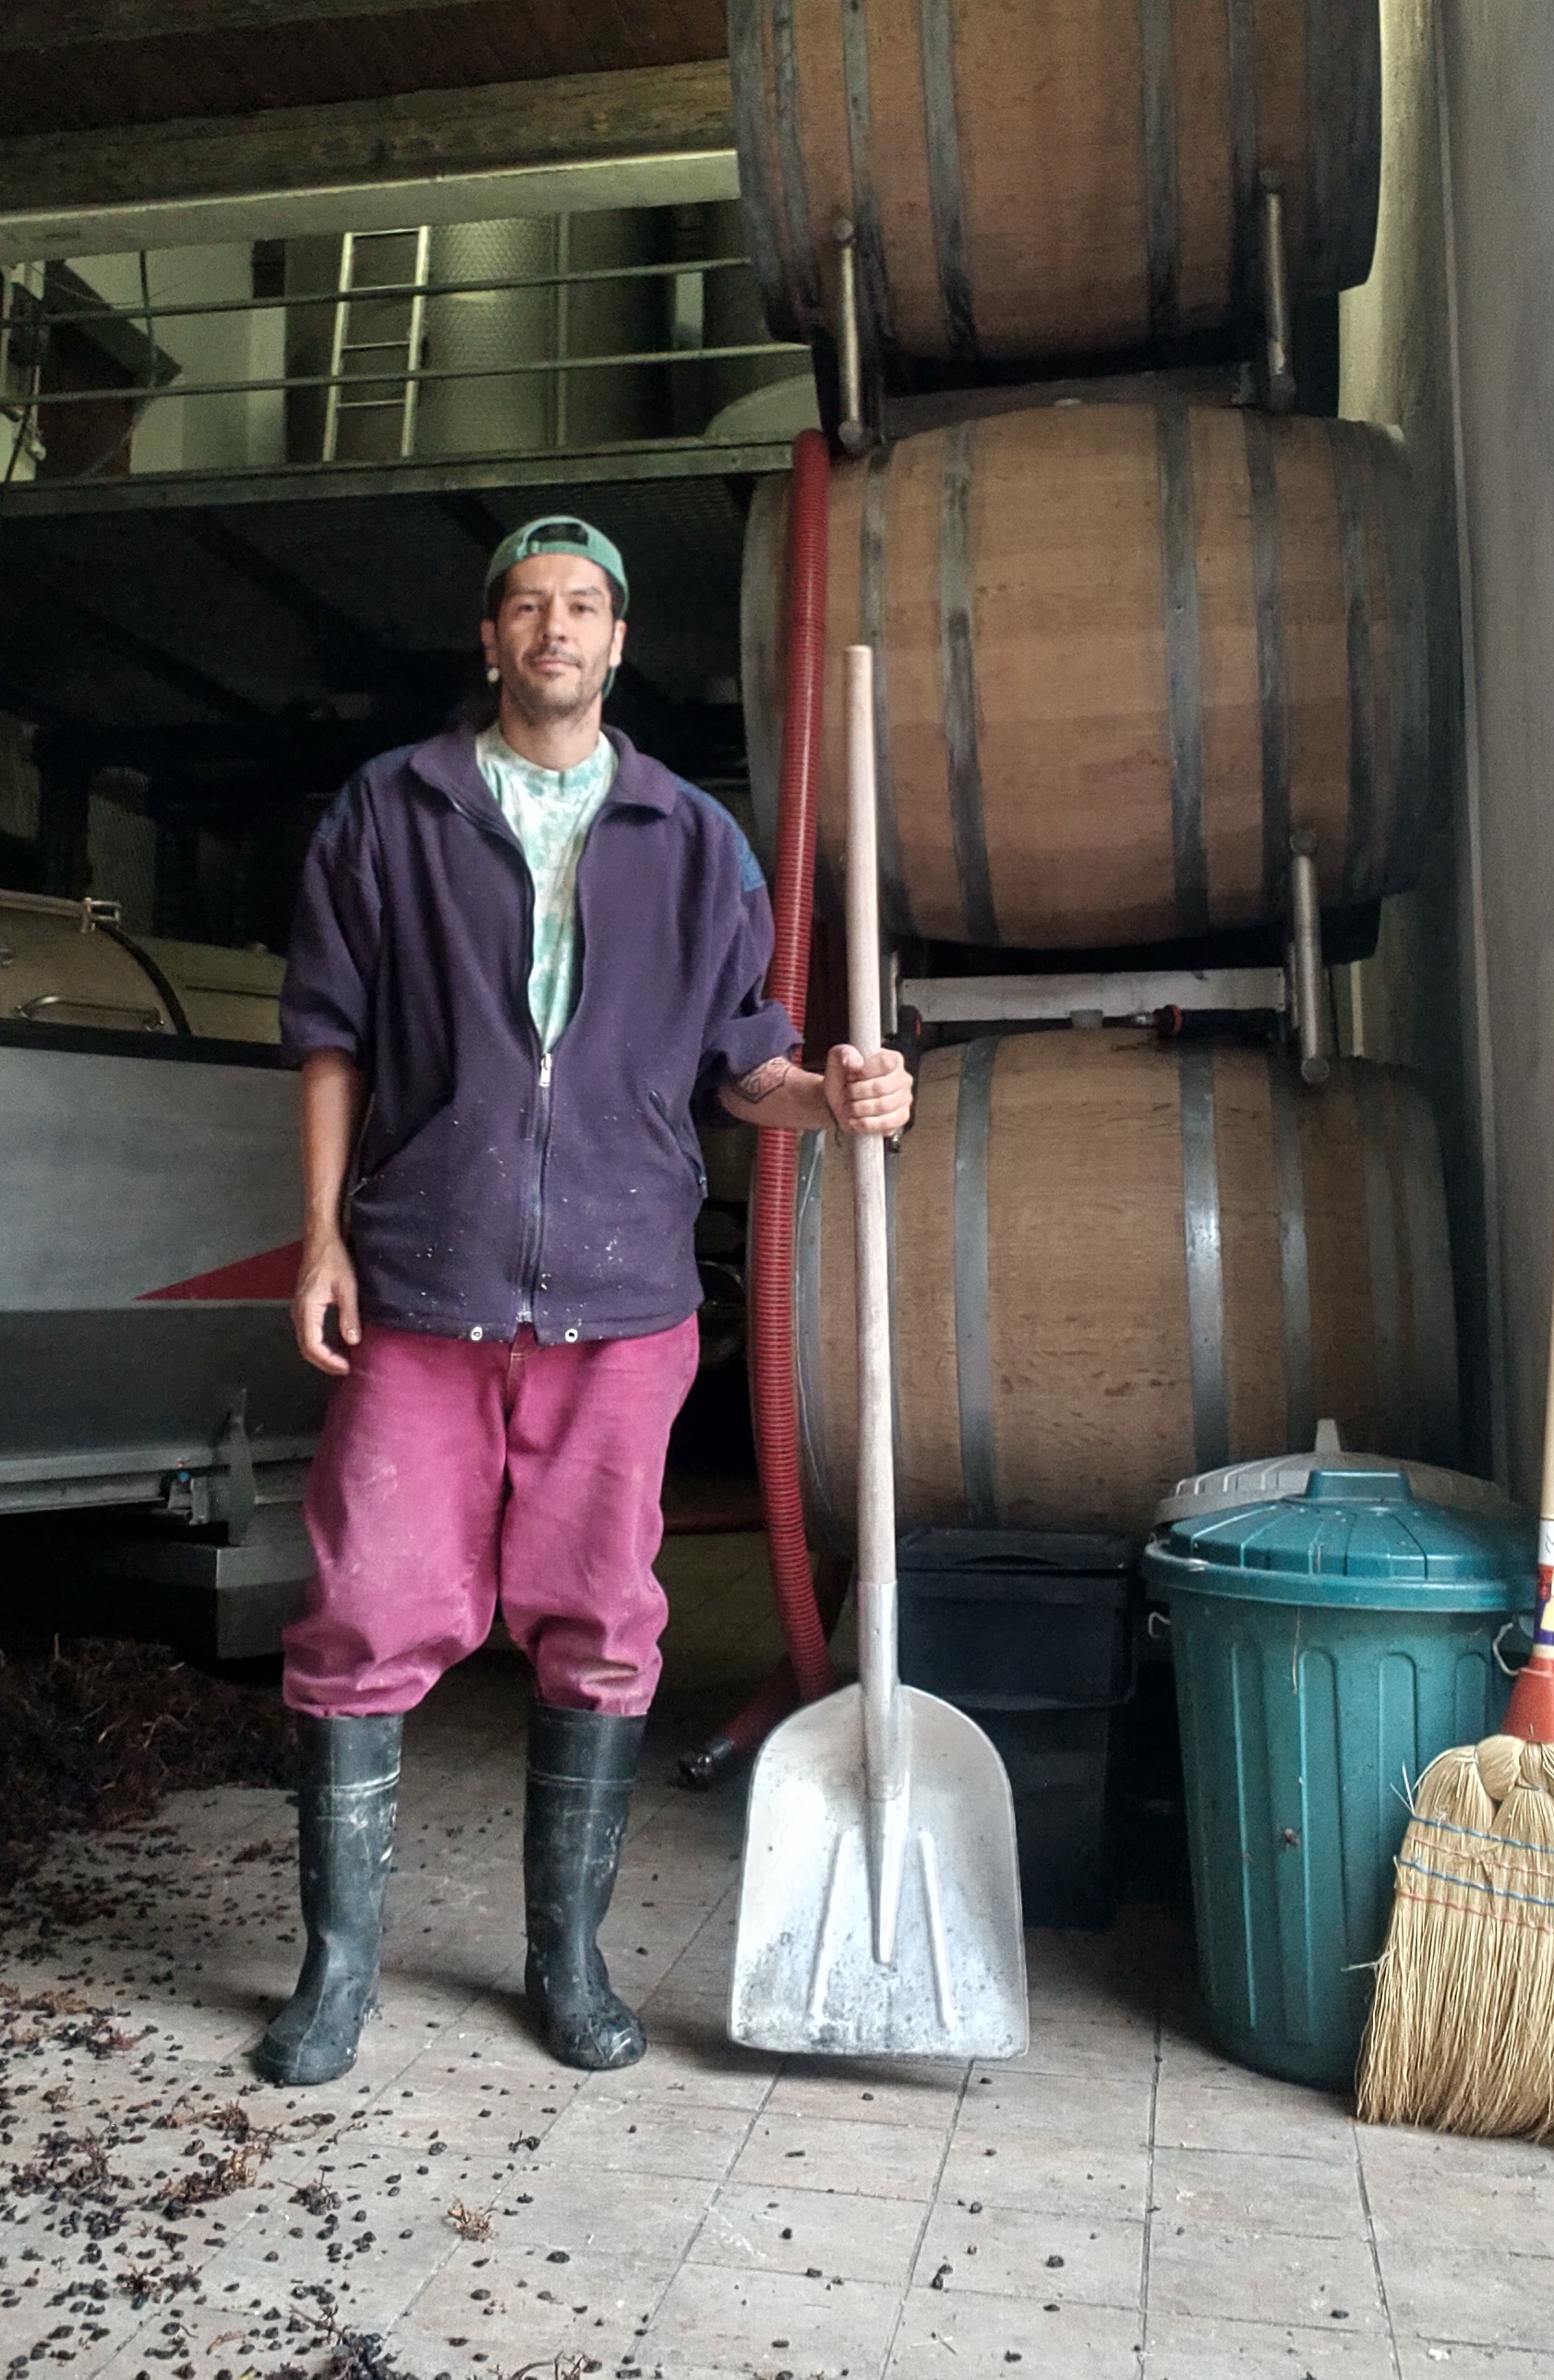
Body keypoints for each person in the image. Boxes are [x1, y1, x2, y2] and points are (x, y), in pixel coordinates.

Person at [262, 515, 912, 2085]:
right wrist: (320, 1236)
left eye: (585, 607)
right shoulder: (389, 812)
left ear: (618, 644)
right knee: (363, 1612)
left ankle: (566, 1960)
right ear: (489, 639)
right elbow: (329, 1039)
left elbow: (740, 1069)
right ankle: (336, 1971)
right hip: (422, 1284)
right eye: (529, 606)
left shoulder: (693, 841)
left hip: (621, 1304)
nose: (556, 629)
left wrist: (834, 1096)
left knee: (604, 1629)